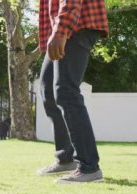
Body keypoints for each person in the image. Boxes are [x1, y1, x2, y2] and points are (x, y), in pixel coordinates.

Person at [37, 0, 108, 183]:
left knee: (67, 92)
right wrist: (51, 37)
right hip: (63, 27)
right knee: (48, 91)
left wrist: (60, 31)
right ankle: (66, 158)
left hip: (77, 25)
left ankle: (89, 166)